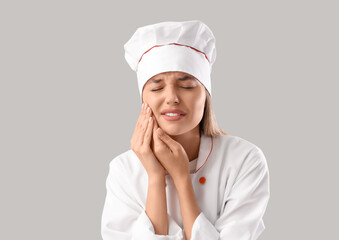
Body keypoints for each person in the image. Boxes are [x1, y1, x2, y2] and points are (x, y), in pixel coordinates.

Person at [101, 20, 270, 240]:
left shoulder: (244, 159)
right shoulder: (123, 170)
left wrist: (182, 179)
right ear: (143, 99)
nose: (171, 98)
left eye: (187, 85)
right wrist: (155, 177)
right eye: (157, 87)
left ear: (206, 95)